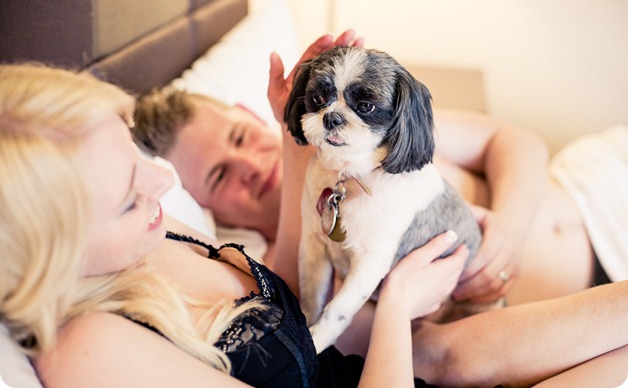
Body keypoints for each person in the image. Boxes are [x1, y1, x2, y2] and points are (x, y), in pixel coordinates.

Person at [0, 48, 626, 388]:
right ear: (55, 250)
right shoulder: (94, 347)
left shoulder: (164, 232)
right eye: (128, 197)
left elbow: (298, 300)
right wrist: (401, 304)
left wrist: (291, 138)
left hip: (460, 330)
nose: (161, 185)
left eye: (138, 158)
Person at [132, 39, 626, 306]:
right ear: (209, 208)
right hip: (590, 308)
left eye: (240, 138)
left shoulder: (375, 133)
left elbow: (516, 141)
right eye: (219, 177)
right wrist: (293, 155)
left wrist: (510, 232)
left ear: (249, 111)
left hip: (600, 193)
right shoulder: (278, 261)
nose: (248, 167)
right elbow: (298, 299)